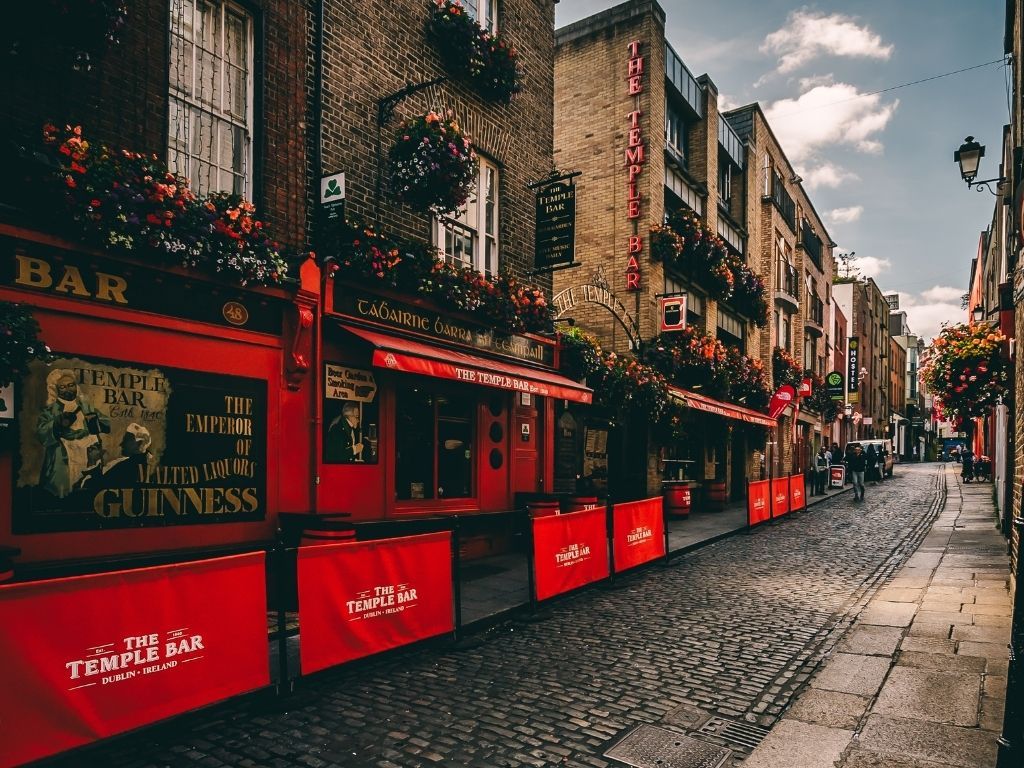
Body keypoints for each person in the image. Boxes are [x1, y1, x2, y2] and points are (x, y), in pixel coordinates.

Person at [35, 369, 111, 498]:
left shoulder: (86, 406)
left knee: (88, 491)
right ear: (56, 390)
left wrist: (94, 420)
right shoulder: (51, 411)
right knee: (66, 493)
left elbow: (106, 424)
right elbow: (42, 434)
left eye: (71, 385)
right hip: (66, 458)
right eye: (63, 387)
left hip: (89, 456)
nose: (68, 389)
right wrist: (58, 423)